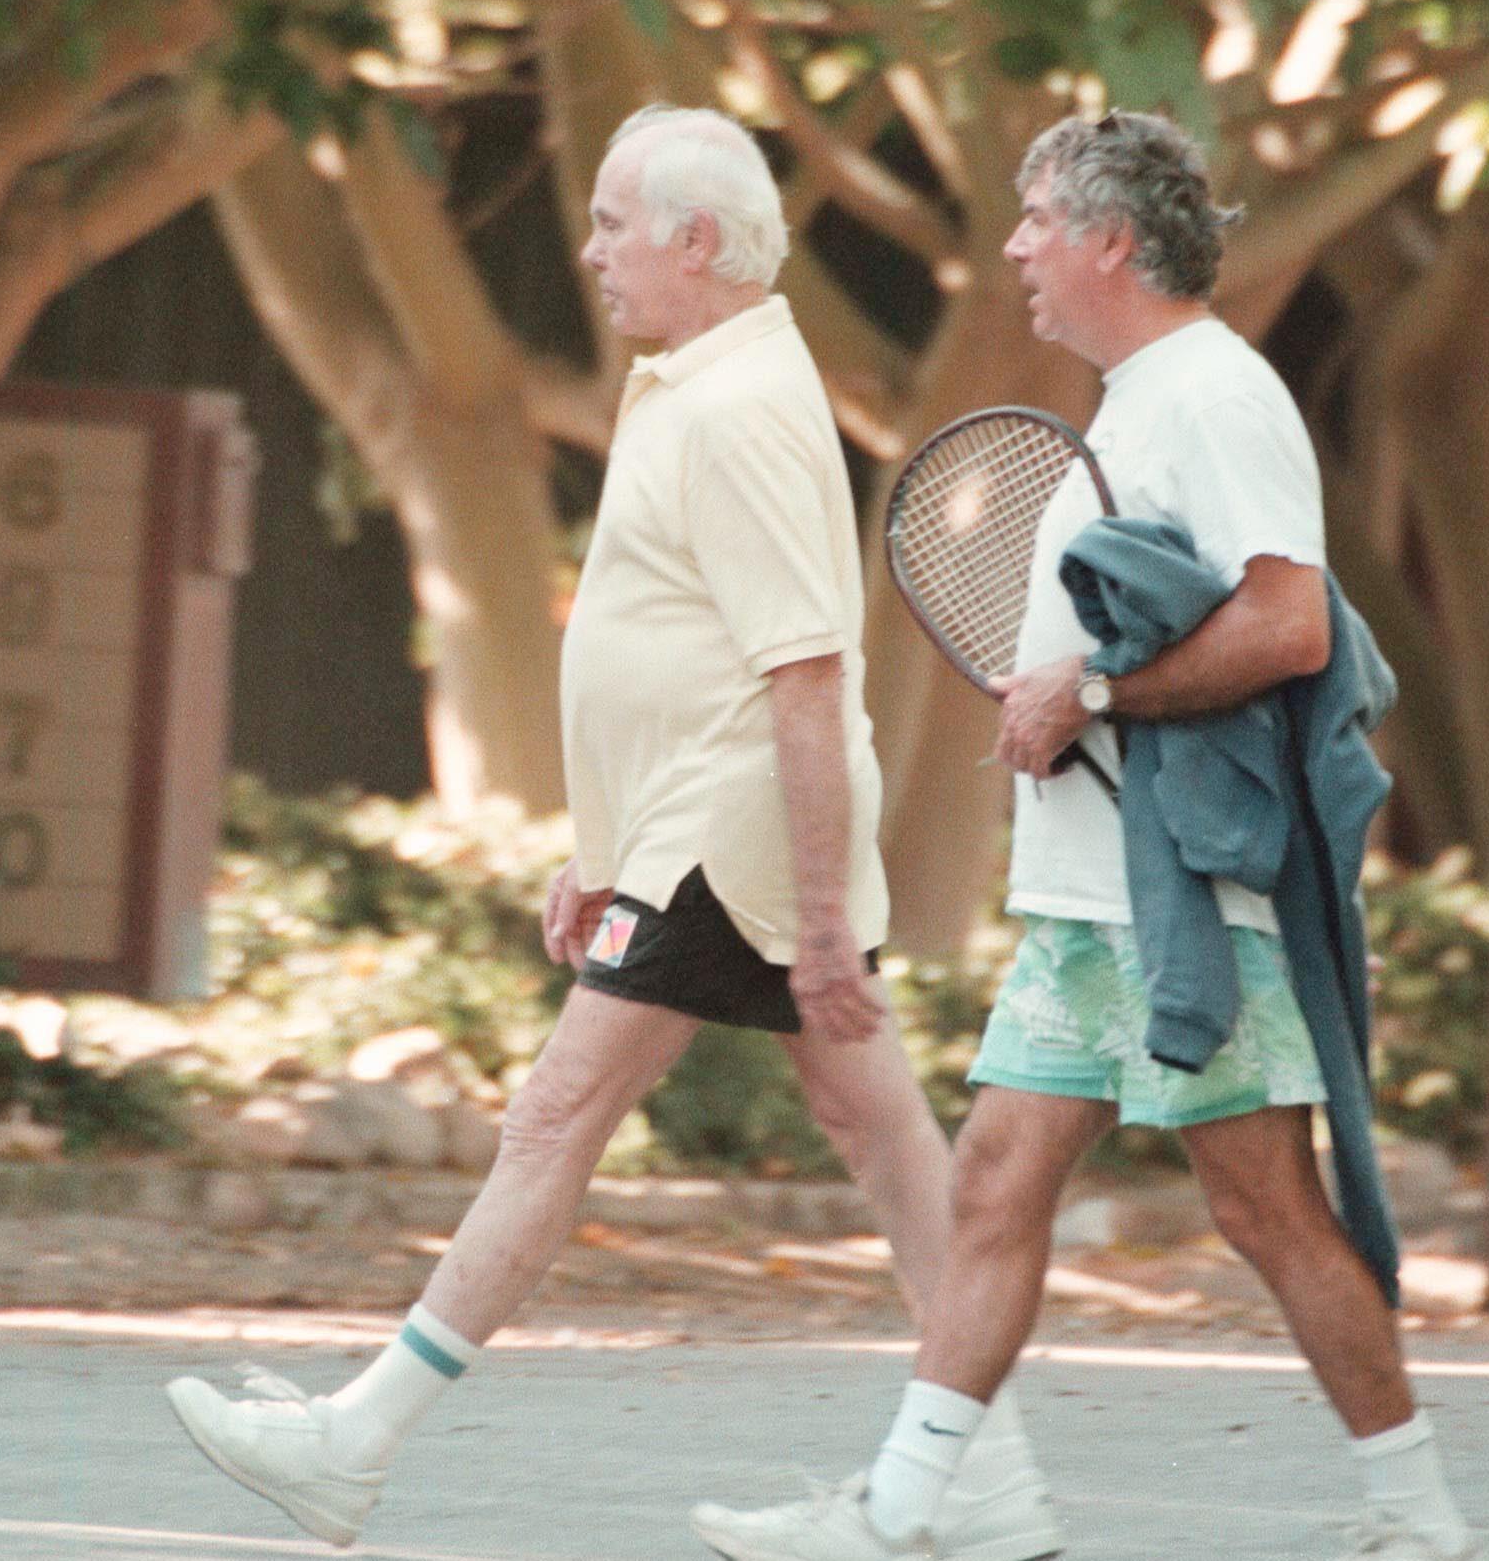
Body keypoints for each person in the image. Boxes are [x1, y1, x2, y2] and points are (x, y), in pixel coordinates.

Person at [162, 105, 1063, 1561]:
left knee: (557, 1117)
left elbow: (803, 673)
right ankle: (995, 1484)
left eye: (609, 225)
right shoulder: (703, 382)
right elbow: (694, 658)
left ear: (695, 242)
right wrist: (609, 848)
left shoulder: (744, 407)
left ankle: (355, 1441)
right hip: (702, 834)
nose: (587, 254)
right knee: (885, 1136)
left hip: (740, 846)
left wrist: (820, 912)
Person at [688, 112, 1488, 1561]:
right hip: (1086, 902)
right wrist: (1071, 696)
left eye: (1038, 219)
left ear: (1114, 240)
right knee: (994, 1184)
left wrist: (1096, 687)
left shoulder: (1211, 396)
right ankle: (901, 1515)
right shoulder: (1137, 399)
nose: (1013, 249)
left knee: (1267, 1212)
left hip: (1178, 894)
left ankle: (1420, 1518)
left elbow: (1288, 620)